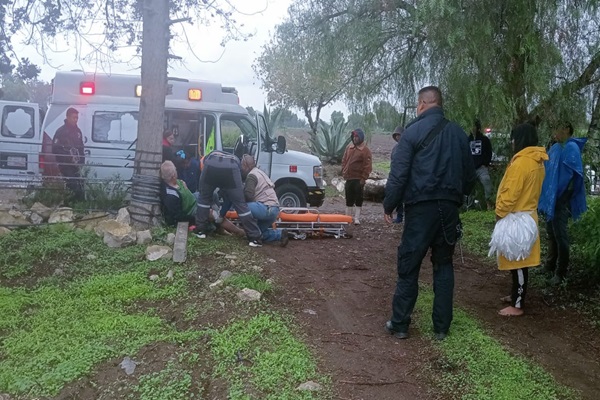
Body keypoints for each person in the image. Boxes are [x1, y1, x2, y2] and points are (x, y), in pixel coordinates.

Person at [383, 86, 476, 340]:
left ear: (423, 103)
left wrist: (389, 205)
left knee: (409, 264)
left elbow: (398, 175)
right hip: (448, 209)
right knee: (444, 265)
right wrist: (455, 197)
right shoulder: (458, 134)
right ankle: (441, 328)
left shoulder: (411, 133)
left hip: (420, 209)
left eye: (417, 104)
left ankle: (400, 324)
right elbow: (470, 176)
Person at [495, 123, 548, 316]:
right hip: (526, 216)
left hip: (516, 217)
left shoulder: (521, 163)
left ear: (519, 140)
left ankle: (517, 304)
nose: (511, 143)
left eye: (513, 139)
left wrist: (499, 212)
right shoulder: (536, 161)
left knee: (518, 262)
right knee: (517, 258)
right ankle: (515, 295)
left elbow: (511, 193)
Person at [538, 122, 587, 285]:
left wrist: (561, 197)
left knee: (560, 234)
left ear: (566, 129)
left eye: (556, 129)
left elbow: (573, 177)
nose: (554, 133)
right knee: (551, 232)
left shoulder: (571, 148)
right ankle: (549, 265)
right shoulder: (556, 147)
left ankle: (561, 272)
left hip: (561, 199)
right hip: (551, 198)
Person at [194, 150, 263, 247]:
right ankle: (255, 238)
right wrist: (222, 213)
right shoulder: (235, 160)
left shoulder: (208, 158)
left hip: (210, 166)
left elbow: (207, 192)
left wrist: (220, 214)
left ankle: (200, 231)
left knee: (203, 199)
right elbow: (229, 196)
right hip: (232, 168)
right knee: (240, 205)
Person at [240, 154, 289, 247]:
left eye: (242, 165)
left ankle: (253, 236)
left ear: (246, 165)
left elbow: (248, 195)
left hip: (266, 208)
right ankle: (280, 234)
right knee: (260, 233)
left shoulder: (251, 176)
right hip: (274, 209)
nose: (241, 168)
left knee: (242, 207)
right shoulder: (259, 172)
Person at [52, 107, 85, 202]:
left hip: (76, 165)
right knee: (73, 185)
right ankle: (69, 206)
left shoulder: (78, 131)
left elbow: (81, 148)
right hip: (65, 165)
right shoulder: (61, 132)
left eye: (77, 118)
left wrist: (81, 162)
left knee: (80, 186)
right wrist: (68, 156)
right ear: (67, 117)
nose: (75, 120)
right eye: (73, 117)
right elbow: (54, 149)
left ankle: (78, 207)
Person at [341, 128, 372, 225]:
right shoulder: (348, 148)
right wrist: (344, 171)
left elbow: (368, 166)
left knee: (358, 198)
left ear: (361, 138)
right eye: (354, 136)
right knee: (348, 198)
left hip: (358, 179)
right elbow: (344, 160)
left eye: (357, 136)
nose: (355, 138)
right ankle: (348, 217)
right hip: (349, 178)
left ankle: (356, 218)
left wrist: (363, 178)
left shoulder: (365, 150)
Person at [468, 119, 495, 210]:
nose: (472, 128)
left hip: (481, 167)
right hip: (470, 168)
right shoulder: (468, 139)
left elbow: (489, 152)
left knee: (486, 181)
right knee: (468, 186)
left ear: (477, 127)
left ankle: (489, 203)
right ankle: (469, 206)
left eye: (474, 126)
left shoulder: (484, 139)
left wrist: (485, 163)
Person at [391, 125, 404, 223]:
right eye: (396, 136)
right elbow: (392, 161)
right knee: (398, 197)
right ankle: (399, 216)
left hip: (405, 175)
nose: (397, 137)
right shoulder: (395, 148)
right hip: (396, 175)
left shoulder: (408, 147)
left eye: (399, 135)